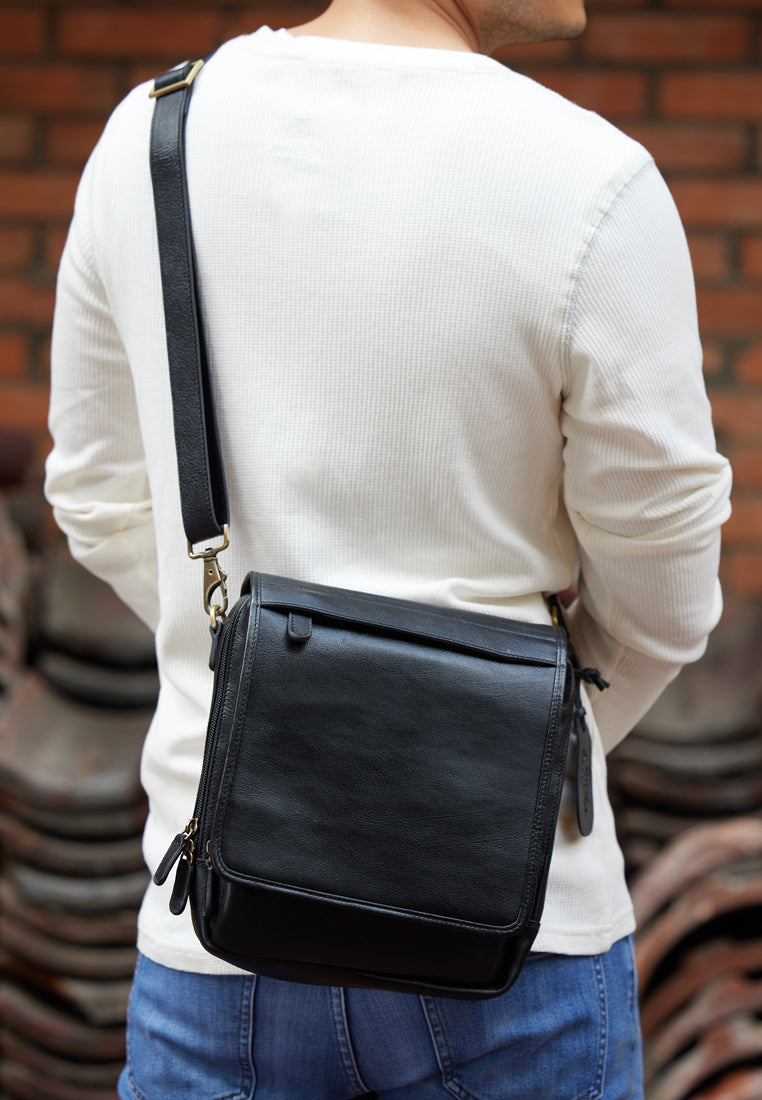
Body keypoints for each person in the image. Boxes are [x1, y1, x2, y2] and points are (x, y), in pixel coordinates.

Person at [44, 0, 731, 1095]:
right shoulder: (593, 180)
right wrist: (497, 745)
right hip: (514, 942)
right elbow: (668, 596)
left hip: (220, 931)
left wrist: (263, 679)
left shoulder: (153, 136)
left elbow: (92, 494)